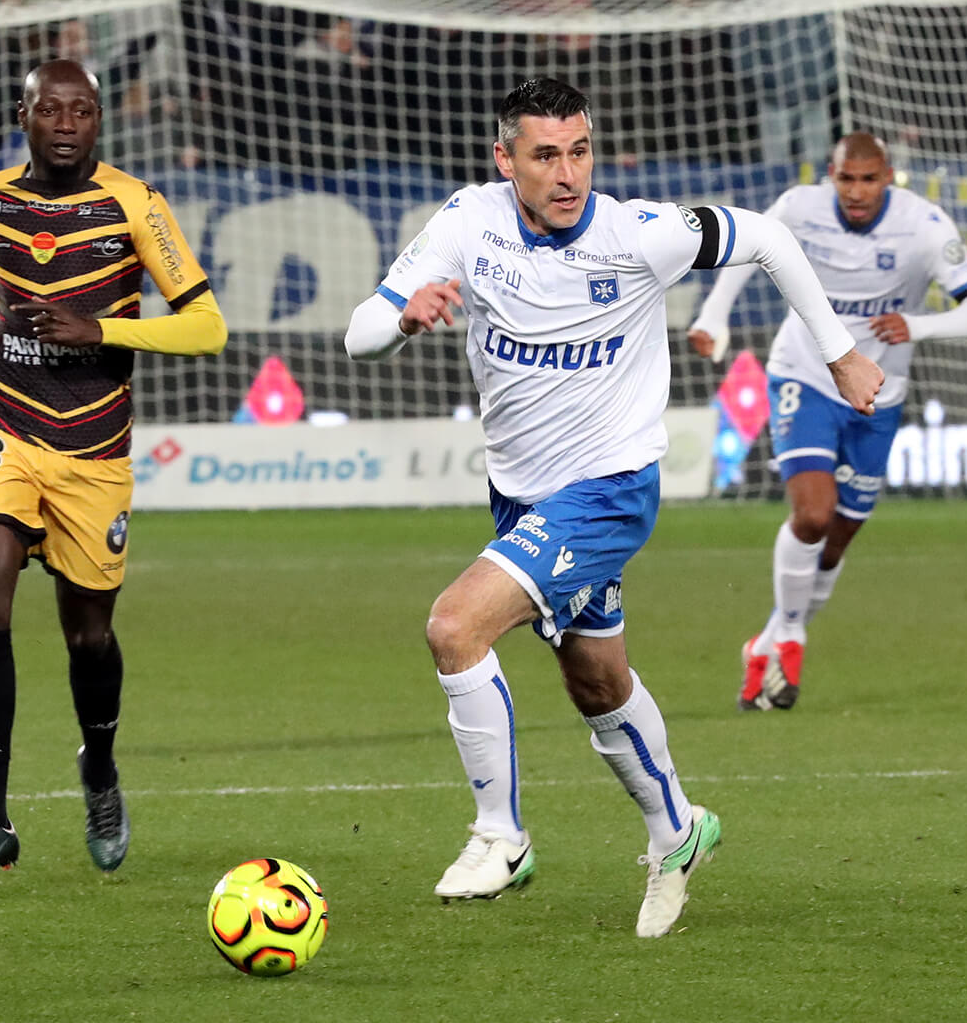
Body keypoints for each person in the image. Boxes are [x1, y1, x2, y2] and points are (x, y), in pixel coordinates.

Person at [344, 79, 882, 937]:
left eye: (580, 150)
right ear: (505, 160)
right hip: (522, 495)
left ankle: (500, 837)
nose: (568, 173)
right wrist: (407, 317)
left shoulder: (640, 235)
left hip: (608, 491)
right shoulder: (466, 221)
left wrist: (843, 354)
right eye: (546, 155)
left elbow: (772, 239)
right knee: (596, 678)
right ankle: (678, 831)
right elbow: (358, 332)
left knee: (454, 628)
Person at [0, 59, 228, 893]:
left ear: (98, 121)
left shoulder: (135, 205)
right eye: (48, 108)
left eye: (80, 110)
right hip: (2, 423)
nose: (64, 122)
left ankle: (100, 763)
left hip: (93, 447)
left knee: (88, 635)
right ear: (22, 113)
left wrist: (104, 330)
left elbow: (206, 326)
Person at [687, 132, 967, 712]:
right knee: (813, 514)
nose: (856, 192)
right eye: (845, 179)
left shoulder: (925, 226)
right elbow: (746, 248)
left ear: (889, 178)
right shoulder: (798, 208)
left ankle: (767, 641)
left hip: (879, 393)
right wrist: (715, 314)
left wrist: (919, 324)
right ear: (830, 176)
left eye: (868, 179)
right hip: (804, 375)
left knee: (835, 543)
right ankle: (791, 633)